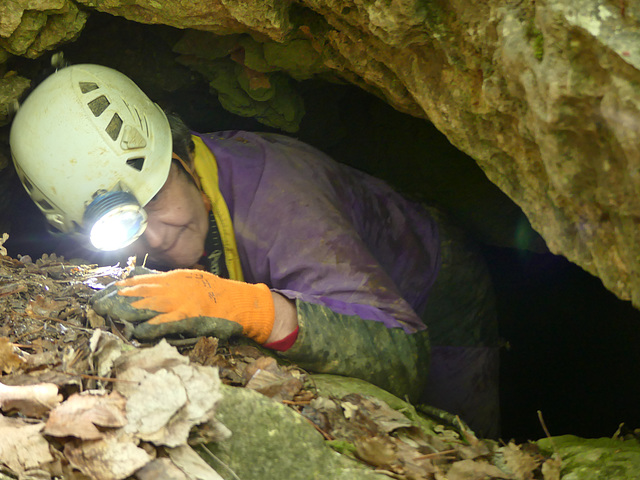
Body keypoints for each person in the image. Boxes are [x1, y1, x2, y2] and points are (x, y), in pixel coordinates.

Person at [9, 64, 499, 436]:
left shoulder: (279, 199)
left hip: (435, 281)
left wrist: (251, 308)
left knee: (454, 427)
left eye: (155, 198)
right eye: (126, 226)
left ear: (181, 156)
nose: (156, 238)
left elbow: (404, 356)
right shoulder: (178, 196)